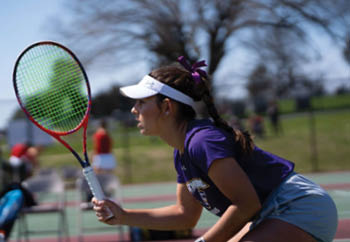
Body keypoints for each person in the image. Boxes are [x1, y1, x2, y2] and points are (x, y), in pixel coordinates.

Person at [92, 56, 338, 242]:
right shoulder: (182, 151)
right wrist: (123, 216)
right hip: (272, 212)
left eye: (141, 102)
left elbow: (246, 204)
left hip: (299, 206)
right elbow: (185, 214)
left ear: (167, 107)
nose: (134, 110)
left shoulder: (202, 142)